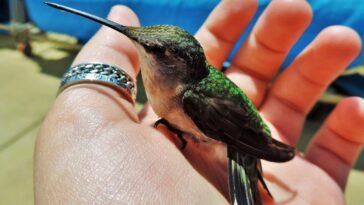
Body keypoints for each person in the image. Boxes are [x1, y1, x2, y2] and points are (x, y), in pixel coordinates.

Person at [34, 0, 364, 204]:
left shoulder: (191, 98)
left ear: (177, 65)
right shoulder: (174, 87)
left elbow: (229, 131)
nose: (140, 43)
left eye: (157, 50)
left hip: (237, 144)